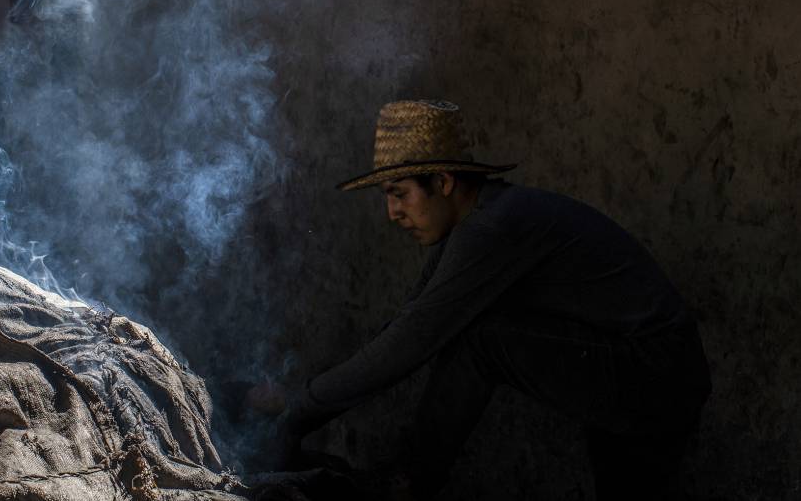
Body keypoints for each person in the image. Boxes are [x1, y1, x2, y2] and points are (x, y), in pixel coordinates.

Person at [256, 99, 711, 500]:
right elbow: (403, 327)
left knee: (479, 340)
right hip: (628, 363)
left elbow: (410, 344)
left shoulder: (491, 230)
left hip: (655, 369)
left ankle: (407, 484)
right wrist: (303, 397)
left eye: (400, 194)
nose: (392, 212)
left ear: (444, 181)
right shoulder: (471, 229)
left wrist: (301, 411)